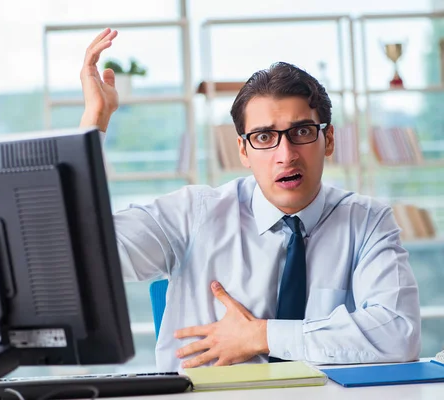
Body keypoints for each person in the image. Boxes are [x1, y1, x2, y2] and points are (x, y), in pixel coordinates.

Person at [78, 28, 421, 372]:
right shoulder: (192, 213)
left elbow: (398, 333)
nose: (285, 155)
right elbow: (85, 249)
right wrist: (95, 120)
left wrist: (263, 336)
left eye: (301, 132)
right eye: (264, 137)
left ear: (328, 139)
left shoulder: (367, 221)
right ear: (243, 149)